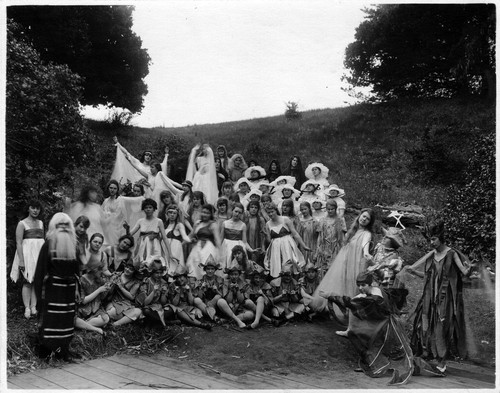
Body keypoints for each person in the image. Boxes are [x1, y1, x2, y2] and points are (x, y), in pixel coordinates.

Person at [328, 272, 445, 385]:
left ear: (370, 284)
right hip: (379, 326)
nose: (360, 288)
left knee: (400, 352)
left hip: (389, 326)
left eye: (363, 285)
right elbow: (354, 301)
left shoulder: (377, 295)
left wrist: (333, 297)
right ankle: (374, 365)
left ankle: (420, 368)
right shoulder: (366, 294)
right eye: (358, 285)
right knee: (371, 344)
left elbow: (356, 302)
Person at [407, 221, 473, 372]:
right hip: (430, 297)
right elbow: (428, 276)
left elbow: (464, 272)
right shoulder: (432, 255)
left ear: (441, 239)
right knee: (426, 324)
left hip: (445, 298)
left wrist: (470, 269)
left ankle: (443, 362)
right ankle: (429, 354)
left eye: (433, 239)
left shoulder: (451, 254)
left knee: (443, 326)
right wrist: (413, 272)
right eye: (430, 239)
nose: (431, 242)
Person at [316, 208, 376, 325]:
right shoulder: (353, 231)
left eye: (367, 219)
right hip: (347, 261)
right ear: (359, 216)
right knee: (343, 283)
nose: (364, 219)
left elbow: (365, 244)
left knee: (354, 286)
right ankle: (343, 311)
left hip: (357, 263)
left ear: (370, 222)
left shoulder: (366, 234)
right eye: (363, 216)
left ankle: (353, 317)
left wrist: (366, 252)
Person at [33, 213, 80, 360]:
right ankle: (46, 352)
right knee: (51, 320)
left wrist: (77, 289)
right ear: (54, 226)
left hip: (68, 291)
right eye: (61, 225)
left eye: (67, 225)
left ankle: (63, 351)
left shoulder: (73, 246)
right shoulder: (48, 244)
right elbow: (40, 272)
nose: (64, 228)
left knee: (66, 320)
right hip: (53, 291)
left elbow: (77, 271)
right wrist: (38, 298)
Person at [11, 200, 45, 319]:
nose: (35, 210)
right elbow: (19, 242)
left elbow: (42, 242)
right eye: (33, 208)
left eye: (37, 208)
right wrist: (21, 260)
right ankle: (27, 307)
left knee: (36, 280)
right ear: (28, 209)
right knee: (27, 280)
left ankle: (33, 306)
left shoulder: (41, 223)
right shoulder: (22, 224)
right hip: (26, 255)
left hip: (38, 255)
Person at [263, 203, 310, 278]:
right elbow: (269, 240)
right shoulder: (268, 224)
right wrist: (265, 235)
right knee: (277, 266)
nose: (271, 214)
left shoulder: (285, 219)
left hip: (287, 244)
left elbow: (295, 234)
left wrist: (303, 245)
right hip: (275, 247)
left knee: (290, 263)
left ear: (276, 210)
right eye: (268, 212)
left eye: (272, 211)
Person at [76, 236, 111, 335]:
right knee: (73, 318)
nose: (97, 244)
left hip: (95, 308)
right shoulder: (82, 279)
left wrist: (107, 287)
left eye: (100, 242)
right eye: (95, 241)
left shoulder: (99, 279)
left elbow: (102, 297)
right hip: (83, 308)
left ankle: (84, 325)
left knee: (106, 319)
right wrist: (99, 290)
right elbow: (83, 301)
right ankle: (90, 327)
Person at [129, 198, 171, 269]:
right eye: (146, 207)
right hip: (142, 246)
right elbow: (130, 234)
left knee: (155, 264)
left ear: (154, 209)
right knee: (142, 264)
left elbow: (164, 237)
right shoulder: (140, 221)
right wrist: (127, 229)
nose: (148, 209)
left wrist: (170, 253)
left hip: (155, 246)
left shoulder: (159, 221)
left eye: (150, 207)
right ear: (143, 209)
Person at [167, 265, 212, 330]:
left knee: (198, 313)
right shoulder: (172, 285)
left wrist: (189, 291)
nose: (179, 280)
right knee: (179, 311)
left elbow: (191, 302)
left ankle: (190, 321)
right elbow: (174, 304)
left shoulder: (191, 283)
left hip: (189, 307)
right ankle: (200, 324)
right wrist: (178, 293)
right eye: (177, 278)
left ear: (186, 277)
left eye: (181, 277)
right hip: (178, 309)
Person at [186, 204, 221, 281]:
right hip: (197, 247)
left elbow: (217, 239)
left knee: (206, 265)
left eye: (207, 213)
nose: (205, 214)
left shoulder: (213, 224)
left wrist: (220, 253)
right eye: (203, 212)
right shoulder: (198, 223)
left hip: (208, 247)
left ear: (211, 214)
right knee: (194, 266)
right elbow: (191, 235)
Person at [104, 260, 143, 327]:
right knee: (112, 312)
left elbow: (131, 297)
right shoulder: (116, 275)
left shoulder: (136, 282)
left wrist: (121, 287)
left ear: (134, 272)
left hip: (127, 304)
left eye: (131, 269)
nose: (127, 270)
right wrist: (112, 285)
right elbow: (107, 292)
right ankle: (126, 319)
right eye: (127, 267)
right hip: (113, 302)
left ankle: (115, 324)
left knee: (138, 311)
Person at [136, 259, 173, 327]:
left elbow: (163, 302)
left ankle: (152, 322)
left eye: (160, 273)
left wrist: (163, 293)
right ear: (152, 273)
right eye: (157, 273)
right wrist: (154, 291)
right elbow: (145, 303)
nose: (159, 275)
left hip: (159, 307)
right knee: (146, 311)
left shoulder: (163, 282)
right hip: (149, 307)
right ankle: (166, 322)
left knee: (171, 310)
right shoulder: (146, 281)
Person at [220, 203, 255, 271]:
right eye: (236, 211)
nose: (237, 214)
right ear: (232, 211)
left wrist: (251, 250)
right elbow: (221, 239)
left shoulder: (243, 225)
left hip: (238, 248)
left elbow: (244, 241)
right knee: (226, 266)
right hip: (226, 247)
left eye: (240, 212)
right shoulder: (225, 223)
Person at [314, 200, 344, 276]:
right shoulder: (322, 220)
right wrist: (318, 248)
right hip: (325, 246)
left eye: (332, 209)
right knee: (323, 268)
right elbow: (320, 236)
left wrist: (343, 248)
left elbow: (343, 236)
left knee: (334, 267)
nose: (330, 211)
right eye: (328, 209)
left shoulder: (340, 220)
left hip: (336, 246)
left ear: (336, 209)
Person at [193, 258, 225, 322]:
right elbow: (198, 296)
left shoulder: (219, 279)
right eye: (208, 269)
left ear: (215, 270)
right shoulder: (200, 280)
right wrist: (201, 288)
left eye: (212, 269)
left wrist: (217, 291)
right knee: (196, 300)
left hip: (216, 305)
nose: (210, 271)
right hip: (204, 305)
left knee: (218, 297)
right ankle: (214, 317)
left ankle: (209, 315)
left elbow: (223, 296)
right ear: (205, 270)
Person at [163, 204, 192, 277]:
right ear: (167, 214)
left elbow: (185, 237)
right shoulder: (164, 225)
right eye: (170, 212)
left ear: (177, 214)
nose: (172, 215)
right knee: (164, 267)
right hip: (165, 248)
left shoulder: (179, 225)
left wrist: (191, 237)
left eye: (174, 213)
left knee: (173, 267)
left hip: (175, 248)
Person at [244, 201, 266, 265]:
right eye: (252, 207)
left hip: (257, 244)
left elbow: (263, 235)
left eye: (256, 208)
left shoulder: (260, 220)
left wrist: (263, 246)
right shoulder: (245, 219)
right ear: (248, 208)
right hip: (247, 243)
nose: (254, 209)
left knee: (256, 263)